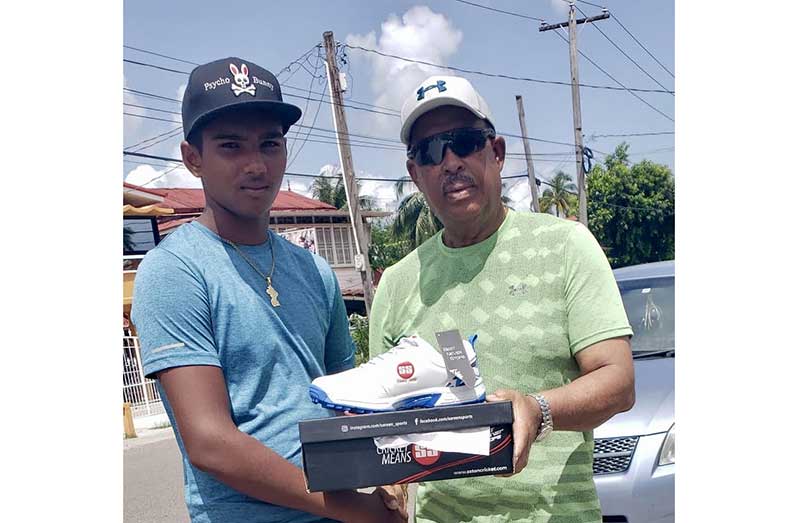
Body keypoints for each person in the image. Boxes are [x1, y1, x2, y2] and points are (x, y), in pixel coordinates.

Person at [131, 57, 406, 523]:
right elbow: (210, 443)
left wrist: (394, 466)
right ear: (192, 157)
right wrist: (352, 510)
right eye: (231, 146)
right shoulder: (173, 271)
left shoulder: (314, 271)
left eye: (269, 144)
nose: (255, 164)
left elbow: (346, 403)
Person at [369, 75, 636, 523]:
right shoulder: (396, 284)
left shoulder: (566, 246)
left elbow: (618, 380)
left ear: (495, 153)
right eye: (430, 151)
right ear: (416, 174)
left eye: (464, 142)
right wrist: (388, 482)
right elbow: (386, 421)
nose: (450, 161)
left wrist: (539, 408)